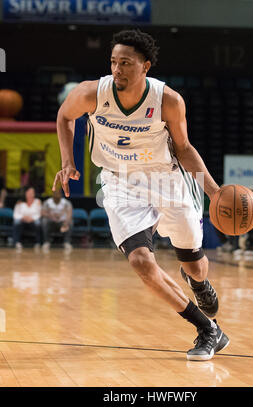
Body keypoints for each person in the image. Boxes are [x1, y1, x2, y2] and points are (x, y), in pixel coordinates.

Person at [52, 29, 229, 361]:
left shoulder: (169, 100)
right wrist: (67, 161)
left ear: (145, 66)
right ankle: (208, 330)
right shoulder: (92, 93)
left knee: (194, 266)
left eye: (126, 63)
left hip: (167, 178)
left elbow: (185, 149)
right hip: (120, 183)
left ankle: (198, 282)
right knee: (141, 262)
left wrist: (215, 192)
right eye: (113, 62)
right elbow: (65, 116)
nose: (118, 69)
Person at [41, 188, 73, 253]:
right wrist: (51, 216)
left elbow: (70, 213)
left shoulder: (66, 203)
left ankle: (67, 242)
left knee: (70, 222)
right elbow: (42, 213)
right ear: (52, 195)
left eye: (58, 194)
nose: (57, 195)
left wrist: (66, 222)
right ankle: (47, 242)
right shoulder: (47, 202)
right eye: (55, 194)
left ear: (61, 195)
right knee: (44, 221)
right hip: (51, 222)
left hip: (62, 223)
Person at [12, 186, 42, 252]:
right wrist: (23, 217)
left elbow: (39, 213)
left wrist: (32, 218)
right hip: (22, 220)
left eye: (32, 193)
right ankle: (16, 242)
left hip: (33, 220)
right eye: (29, 192)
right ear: (26, 193)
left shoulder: (38, 202)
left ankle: (38, 242)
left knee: (38, 223)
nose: (31, 194)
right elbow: (15, 214)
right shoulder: (19, 202)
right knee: (16, 222)